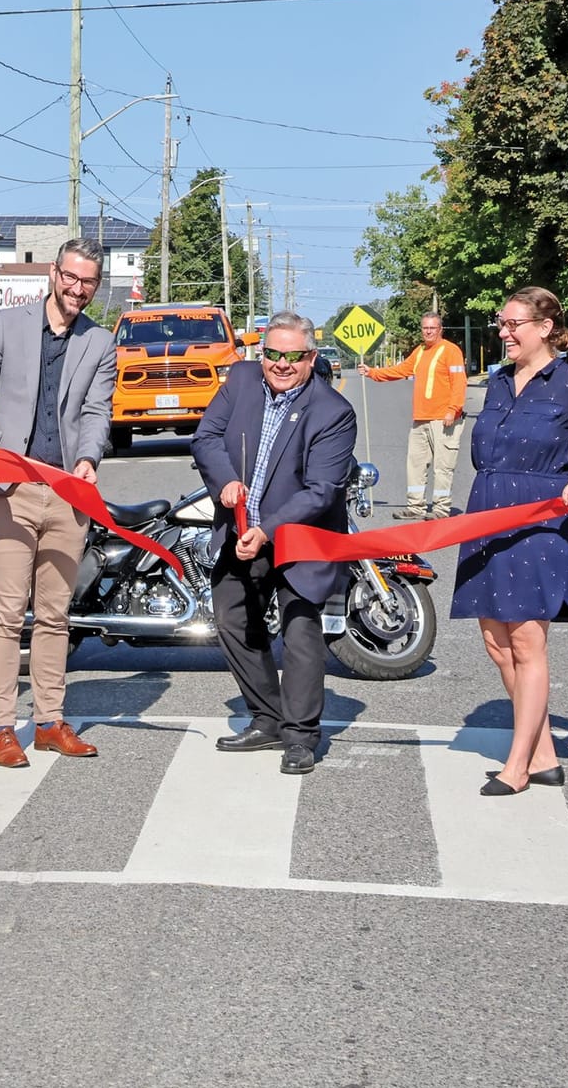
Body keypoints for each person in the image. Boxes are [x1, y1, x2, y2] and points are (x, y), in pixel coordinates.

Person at [452, 287, 568, 796]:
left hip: (540, 520)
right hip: (486, 512)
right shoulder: (497, 382)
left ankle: (517, 765)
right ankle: (545, 752)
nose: (503, 333)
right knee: (496, 642)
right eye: (501, 323)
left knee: (527, 641)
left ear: (546, 328)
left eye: (513, 324)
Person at [0, 237, 118, 769]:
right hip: (11, 489)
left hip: (67, 493)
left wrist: (89, 458)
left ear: (97, 286)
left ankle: (50, 721)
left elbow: (97, 411)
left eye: (88, 282)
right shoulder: (9, 324)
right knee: (6, 612)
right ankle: (3, 727)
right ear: (54, 272)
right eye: (70, 277)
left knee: (55, 614)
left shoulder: (100, 342)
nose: (77, 288)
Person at [193, 312, 360, 777]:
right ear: (260, 352)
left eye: (293, 356)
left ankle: (301, 735)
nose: (281, 364)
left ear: (310, 357)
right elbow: (206, 437)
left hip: (301, 535)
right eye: (272, 353)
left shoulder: (333, 411)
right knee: (231, 619)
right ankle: (268, 718)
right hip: (241, 528)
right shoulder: (241, 380)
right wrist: (225, 481)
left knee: (300, 630)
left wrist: (267, 529)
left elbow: (322, 490)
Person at [359, 313, 469, 518]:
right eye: (425, 328)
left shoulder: (450, 350)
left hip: (443, 419)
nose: (428, 332)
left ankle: (441, 509)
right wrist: (372, 372)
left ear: (440, 329)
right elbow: (401, 370)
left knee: (443, 467)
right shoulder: (420, 351)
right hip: (420, 419)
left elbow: (459, 382)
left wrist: (453, 410)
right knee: (415, 465)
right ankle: (415, 506)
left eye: (432, 328)